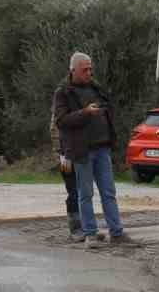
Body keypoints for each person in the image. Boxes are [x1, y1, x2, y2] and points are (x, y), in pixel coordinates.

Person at [53, 51, 132, 249]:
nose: (89, 72)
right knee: (85, 193)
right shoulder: (63, 92)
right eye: (85, 69)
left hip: (102, 147)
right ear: (73, 70)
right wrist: (85, 113)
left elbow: (109, 108)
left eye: (90, 69)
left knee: (108, 192)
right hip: (82, 151)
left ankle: (117, 233)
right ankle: (90, 234)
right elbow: (61, 121)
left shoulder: (96, 87)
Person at [50, 95, 80, 241]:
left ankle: (85, 226)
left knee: (83, 191)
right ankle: (75, 228)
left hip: (80, 155)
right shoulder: (59, 113)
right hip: (65, 158)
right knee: (73, 190)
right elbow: (55, 134)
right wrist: (63, 155)